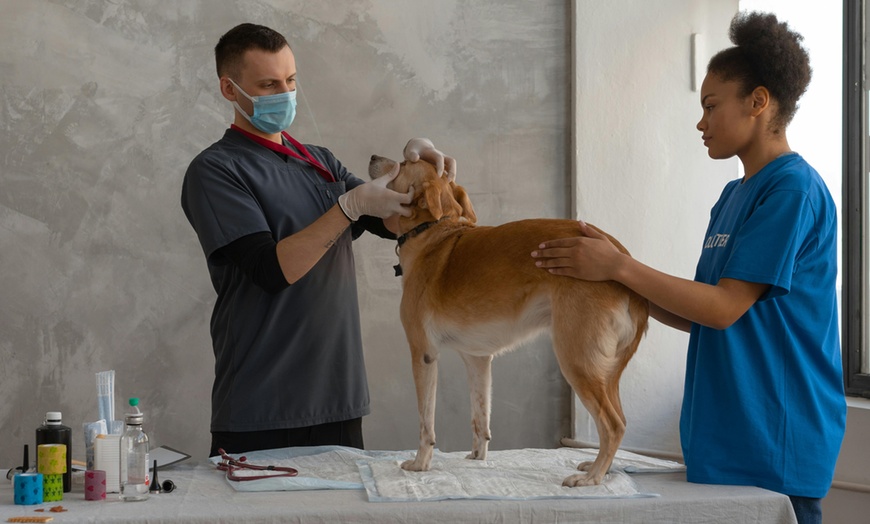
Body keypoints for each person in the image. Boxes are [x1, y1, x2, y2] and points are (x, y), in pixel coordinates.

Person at [531, 11, 845, 524]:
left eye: (711, 106)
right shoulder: (730, 197)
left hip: (775, 441)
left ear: (758, 103)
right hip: (720, 440)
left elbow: (723, 309)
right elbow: (698, 313)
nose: (701, 123)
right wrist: (607, 276)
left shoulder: (792, 189)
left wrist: (621, 266)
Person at [181, 22, 455, 458]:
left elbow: (395, 221)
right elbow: (271, 270)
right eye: (268, 84)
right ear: (229, 90)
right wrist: (347, 208)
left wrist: (416, 167)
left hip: (338, 402)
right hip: (262, 407)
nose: (285, 93)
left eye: (290, 81)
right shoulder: (216, 171)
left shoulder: (318, 162)